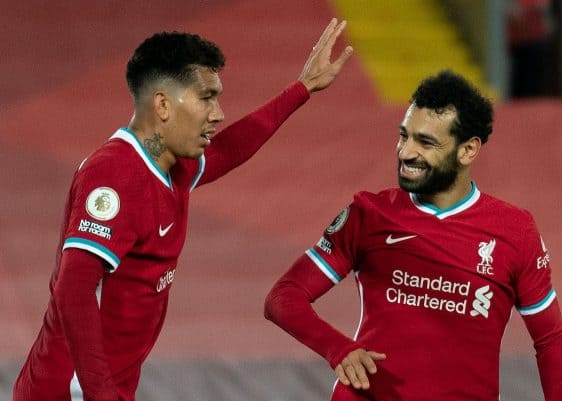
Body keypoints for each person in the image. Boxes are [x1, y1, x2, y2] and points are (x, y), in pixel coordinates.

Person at [13, 19, 353, 401]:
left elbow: (229, 150)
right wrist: (101, 395)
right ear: (162, 104)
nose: (218, 112)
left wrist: (301, 89)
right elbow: (73, 290)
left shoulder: (172, 167)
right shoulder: (115, 175)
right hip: (69, 392)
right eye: (206, 97)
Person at [264, 70, 562, 401]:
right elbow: (283, 297)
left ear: (468, 150)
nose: (406, 152)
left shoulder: (516, 230)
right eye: (404, 136)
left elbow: (550, 340)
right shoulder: (368, 214)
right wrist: (338, 348)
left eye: (425, 142)